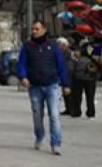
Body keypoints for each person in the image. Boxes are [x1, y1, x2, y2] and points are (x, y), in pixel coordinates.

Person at [18, 20, 71, 155]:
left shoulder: (53, 46)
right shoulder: (27, 46)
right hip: (35, 86)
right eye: (33, 29)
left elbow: (61, 66)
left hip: (52, 85)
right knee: (37, 114)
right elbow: (22, 63)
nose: (34, 31)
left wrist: (66, 84)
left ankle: (56, 144)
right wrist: (23, 77)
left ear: (44, 30)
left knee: (54, 115)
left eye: (36, 29)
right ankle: (40, 135)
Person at [67, 43, 98, 119]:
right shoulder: (94, 55)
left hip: (78, 78)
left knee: (77, 96)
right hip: (91, 78)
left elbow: (70, 68)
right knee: (90, 97)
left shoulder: (75, 55)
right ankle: (91, 113)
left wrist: (70, 77)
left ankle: (76, 112)